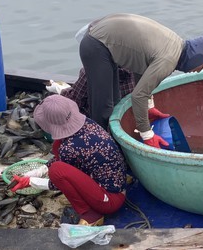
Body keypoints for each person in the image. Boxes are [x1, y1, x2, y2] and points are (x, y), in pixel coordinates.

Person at [79, 13, 203, 148]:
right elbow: (138, 95)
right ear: (198, 57)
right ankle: (98, 149)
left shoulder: (176, 45)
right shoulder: (168, 60)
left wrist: (149, 107)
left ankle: (109, 146)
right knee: (103, 108)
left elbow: (142, 66)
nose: (199, 71)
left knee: (115, 103)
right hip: (96, 44)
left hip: (106, 39)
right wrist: (147, 135)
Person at [10, 95, 127, 226]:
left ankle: (91, 215)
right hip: (115, 180)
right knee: (57, 147)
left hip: (110, 200)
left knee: (56, 170)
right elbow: (69, 160)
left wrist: (31, 182)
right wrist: (37, 172)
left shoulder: (69, 148)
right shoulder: (87, 123)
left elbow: (57, 183)